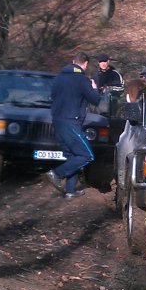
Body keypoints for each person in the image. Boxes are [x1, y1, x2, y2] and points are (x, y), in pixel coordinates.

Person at [44, 52, 100, 198]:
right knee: (86, 155)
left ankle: (70, 191)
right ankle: (56, 173)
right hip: (71, 122)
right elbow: (95, 100)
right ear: (85, 64)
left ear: (73, 61)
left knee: (73, 156)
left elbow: (52, 97)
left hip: (57, 121)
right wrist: (94, 88)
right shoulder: (81, 80)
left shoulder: (58, 78)